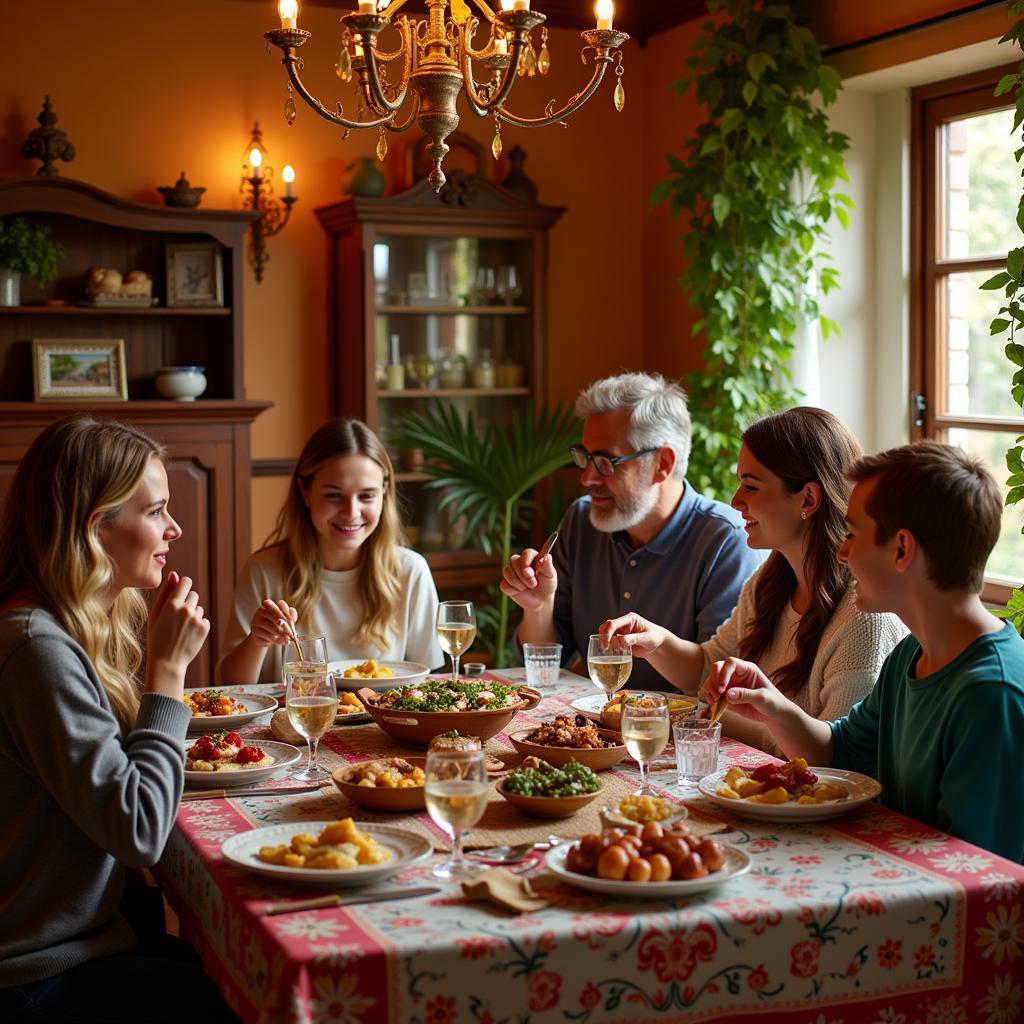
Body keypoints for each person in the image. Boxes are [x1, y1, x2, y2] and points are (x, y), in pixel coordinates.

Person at [0, 417, 235, 1021]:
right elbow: (138, 831)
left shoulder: (67, 621)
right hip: (36, 971)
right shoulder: (36, 647)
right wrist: (168, 674)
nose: (173, 529)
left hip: (93, 935)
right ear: (95, 525)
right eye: (156, 511)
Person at [706, 441, 1024, 862]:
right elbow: (842, 752)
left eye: (853, 534)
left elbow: (977, 875)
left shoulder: (991, 694)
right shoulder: (911, 653)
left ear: (901, 550)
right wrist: (774, 709)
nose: (841, 551)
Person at [600, 407, 906, 754]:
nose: (735, 501)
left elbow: (838, 762)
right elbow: (708, 668)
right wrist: (655, 642)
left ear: (808, 498)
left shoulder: (865, 617)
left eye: (751, 486)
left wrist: (758, 718)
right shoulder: (772, 580)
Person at [501, 372, 763, 690]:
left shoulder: (726, 541)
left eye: (607, 462)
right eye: (585, 457)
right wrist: (538, 606)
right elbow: (546, 668)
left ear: (663, 464)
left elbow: (718, 682)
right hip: (595, 727)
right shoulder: (582, 520)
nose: (587, 478)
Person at [218, 418, 443, 683]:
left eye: (367, 496)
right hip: (296, 723)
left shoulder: (411, 570)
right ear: (305, 492)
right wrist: (257, 641)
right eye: (334, 495)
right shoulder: (264, 571)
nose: (351, 513)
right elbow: (231, 686)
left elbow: (430, 679)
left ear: (384, 493)